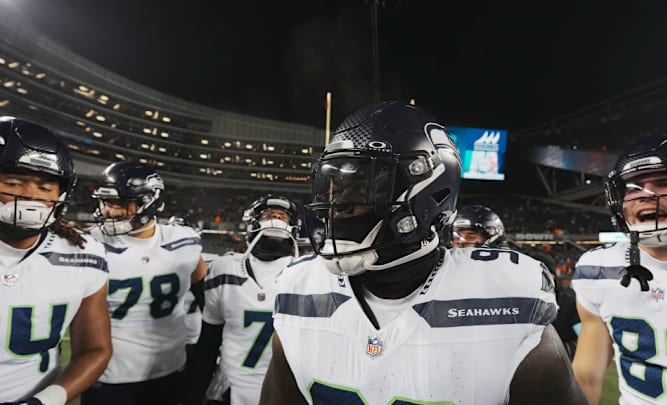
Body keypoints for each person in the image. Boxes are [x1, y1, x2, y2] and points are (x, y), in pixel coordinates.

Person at [259, 101, 587, 404]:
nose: (339, 205)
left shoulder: (506, 303)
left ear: (430, 191)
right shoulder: (297, 289)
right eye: (338, 186)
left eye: (366, 185)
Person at [572, 135, 667, 405]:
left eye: (665, 183)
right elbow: (586, 377)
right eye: (633, 187)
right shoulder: (597, 269)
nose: (646, 195)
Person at [0, 117, 112, 405]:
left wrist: (45, 401)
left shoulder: (84, 254)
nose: (30, 196)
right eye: (13, 181)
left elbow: (95, 349)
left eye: (45, 187)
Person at [81, 161, 208, 405]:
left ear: (151, 202)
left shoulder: (185, 241)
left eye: (122, 204)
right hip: (110, 374)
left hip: (171, 368)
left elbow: (207, 301)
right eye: (108, 203)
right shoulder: (88, 244)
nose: (112, 211)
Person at [186, 194, 299, 405]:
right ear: (252, 224)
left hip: (285, 392)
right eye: (268, 215)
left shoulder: (306, 275)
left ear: (293, 227)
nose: (274, 220)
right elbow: (209, 344)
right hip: (229, 388)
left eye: (281, 217)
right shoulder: (225, 269)